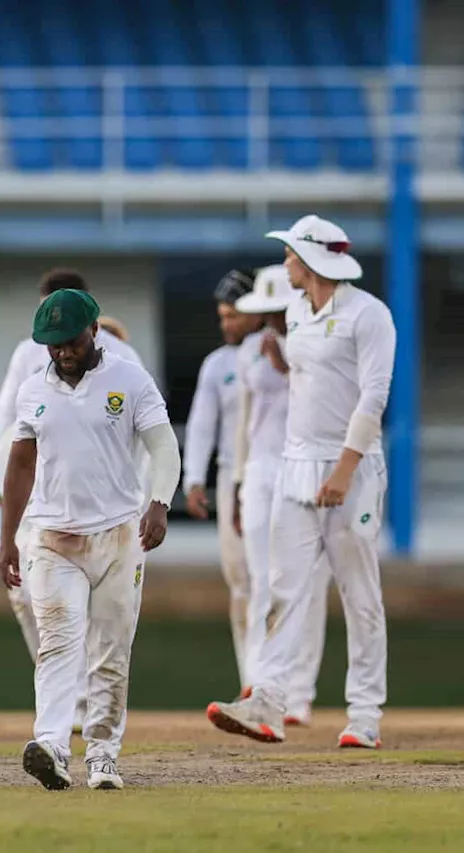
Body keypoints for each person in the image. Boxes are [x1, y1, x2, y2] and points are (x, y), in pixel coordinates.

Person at [208, 215, 395, 749]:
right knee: (283, 590)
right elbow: (312, 382)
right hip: (294, 467)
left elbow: (373, 397)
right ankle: (267, 699)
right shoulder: (294, 310)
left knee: (360, 594)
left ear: (311, 260)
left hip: (352, 472)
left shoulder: (369, 315)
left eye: (290, 254)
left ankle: (364, 715)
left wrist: (344, 469)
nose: (284, 262)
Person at [0, 288, 180, 791]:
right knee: (57, 643)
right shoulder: (33, 389)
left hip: (119, 537)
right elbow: (20, 463)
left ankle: (102, 754)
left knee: (111, 650)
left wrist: (159, 502)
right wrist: (8, 537)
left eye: (71, 341)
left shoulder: (129, 378)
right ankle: (52, 745)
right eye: (53, 344)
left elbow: (163, 446)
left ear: (94, 331)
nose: (62, 352)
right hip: (52, 538)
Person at [0, 269, 147, 728]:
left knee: (101, 608)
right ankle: (67, 694)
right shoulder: (27, 355)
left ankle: (93, 703)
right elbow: (7, 421)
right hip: (41, 497)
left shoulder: (124, 358)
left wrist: (147, 497)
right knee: (28, 596)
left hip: (107, 504)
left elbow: (147, 430)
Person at [230, 267, 330, 726]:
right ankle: (258, 682)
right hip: (261, 471)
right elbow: (245, 421)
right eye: (266, 315)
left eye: (276, 313)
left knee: (305, 582)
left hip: (306, 466)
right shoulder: (248, 351)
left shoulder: (316, 344)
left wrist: (286, 367)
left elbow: (327, 403)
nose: (271, 323)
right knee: (259, 581)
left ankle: (300, 692)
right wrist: (235, 482)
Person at [181, 269, 261, 693]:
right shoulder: (218, 365)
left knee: (280, 578)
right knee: (240, 578)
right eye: (222, 317)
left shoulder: (280, 352)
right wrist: (195, 479)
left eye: (233, 315)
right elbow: (201, 425)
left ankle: (283, 681)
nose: (226, 324)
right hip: (233, 476)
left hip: (279, 474)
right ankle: (251, 677)